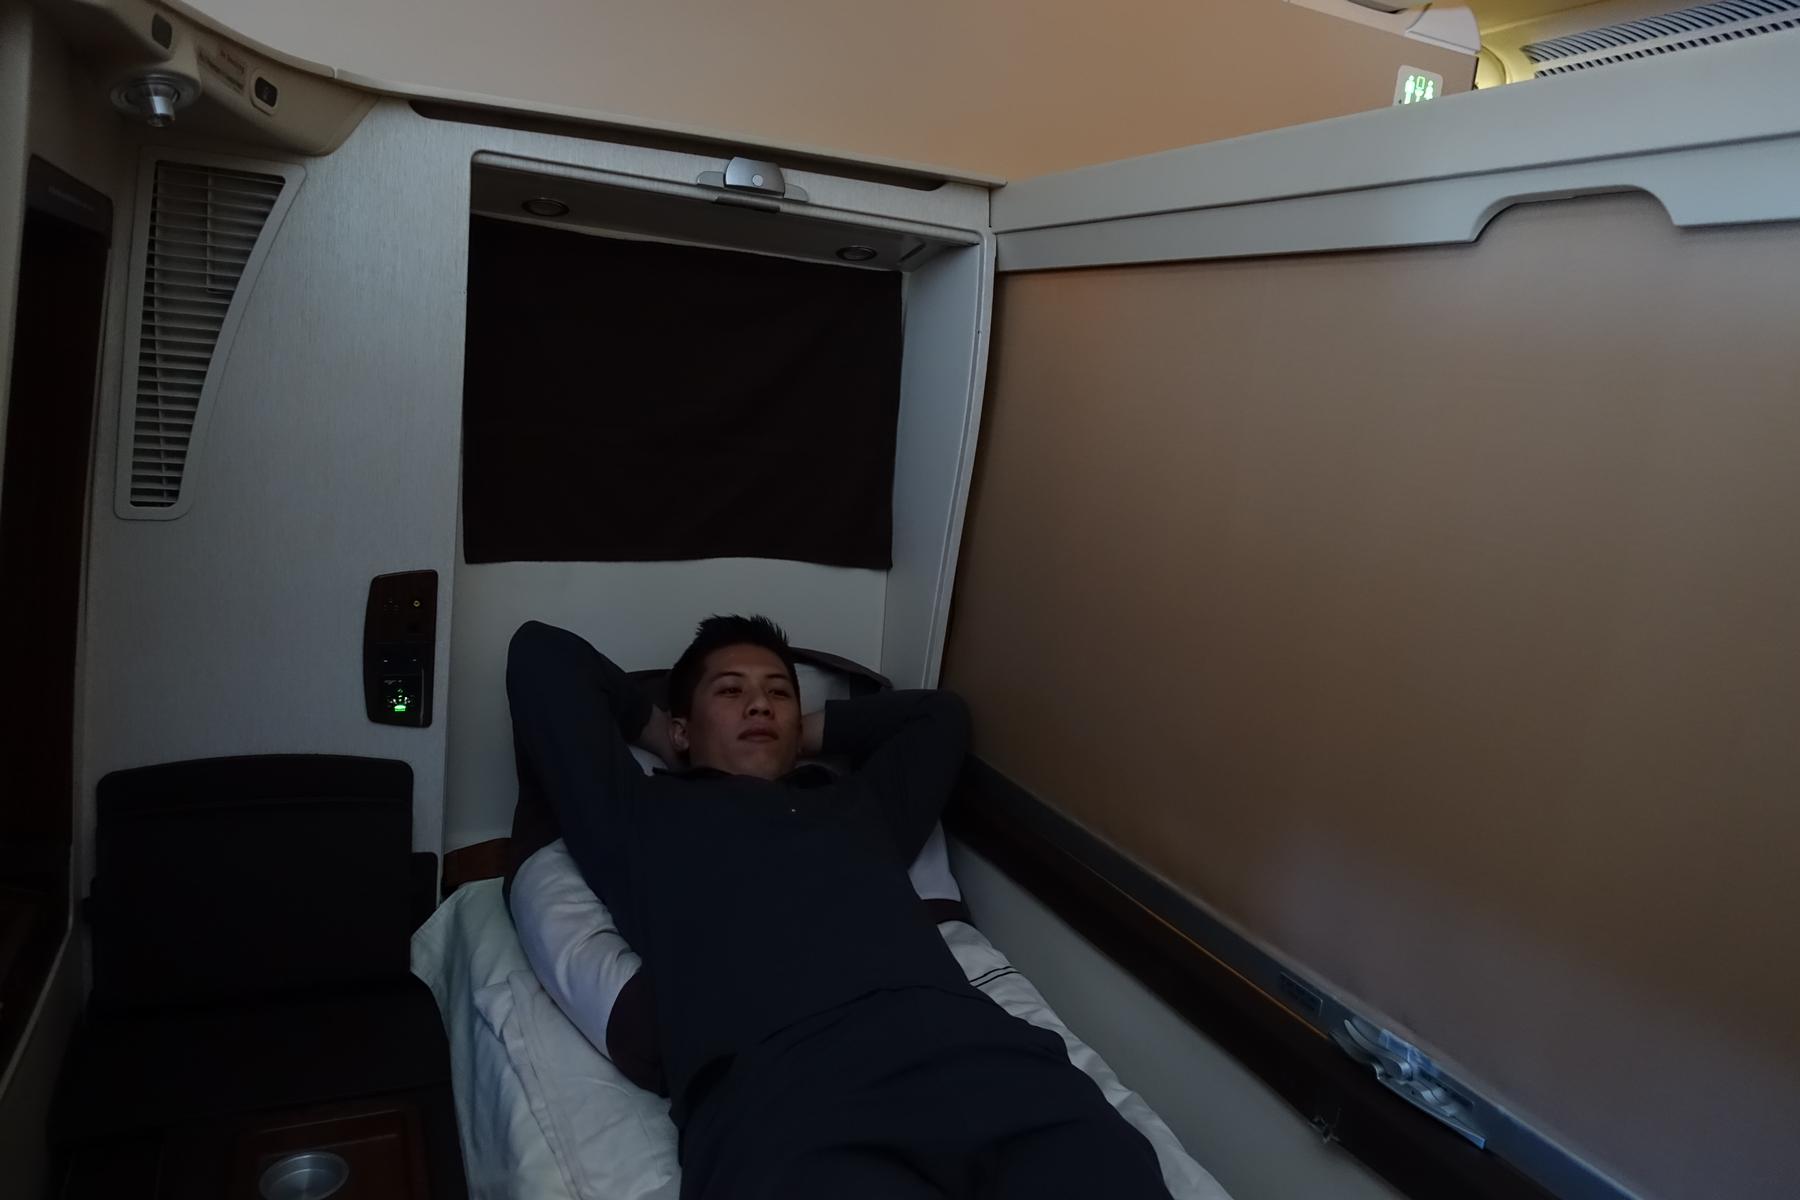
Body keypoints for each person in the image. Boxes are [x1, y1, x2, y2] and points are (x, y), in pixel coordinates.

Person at [505, 615, 1172, 1199]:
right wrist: (660, 733)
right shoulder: (640, 817)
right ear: (683, 726)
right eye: (730, 691)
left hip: (973, 1052)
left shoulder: (859, 806)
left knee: (1107, 1170)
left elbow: (939, 717)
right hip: (783, 1091)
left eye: (779, 693)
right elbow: (541, 655)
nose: (759, 704)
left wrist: (799, 736)